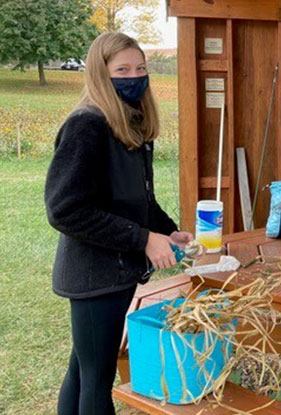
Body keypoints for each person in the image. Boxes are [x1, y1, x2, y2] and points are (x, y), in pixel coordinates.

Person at [45, 32, 193, 415]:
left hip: (117, 271)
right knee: (96, 379)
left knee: (83, 369)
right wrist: (143, 239)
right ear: (100, 73)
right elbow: (65, 209)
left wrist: (165, 229)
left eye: (140, 68)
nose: (134, 76)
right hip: (94, 276)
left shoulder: (129, 124)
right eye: (122, 69)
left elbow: (137, 198)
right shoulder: (86, 126)